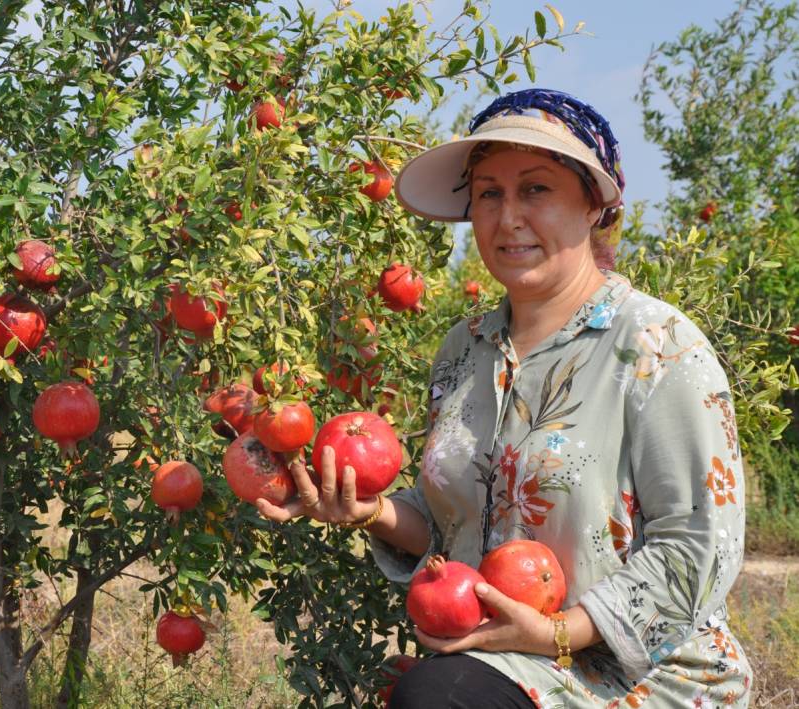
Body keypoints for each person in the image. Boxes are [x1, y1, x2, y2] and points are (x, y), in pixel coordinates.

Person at [255, 88, 751, 708]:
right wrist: (370, 512)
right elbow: (459, 526)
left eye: (536, 189)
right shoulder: (463, 349)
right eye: (489, 192)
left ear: (594, 204)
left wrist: (559, 634)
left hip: (639, 675)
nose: (508, 216)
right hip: (500, 662)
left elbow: (702, 543)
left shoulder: (657, 345)